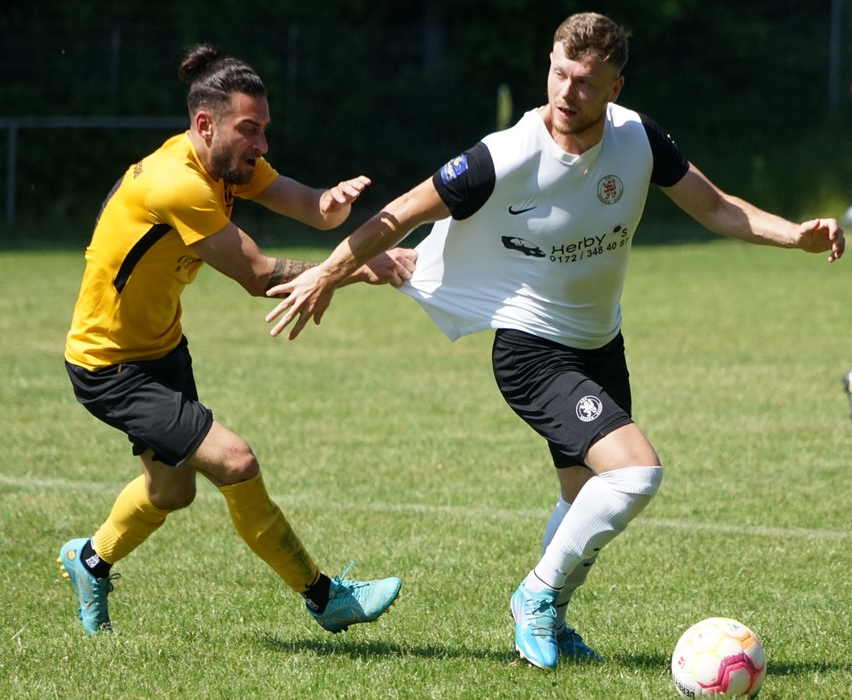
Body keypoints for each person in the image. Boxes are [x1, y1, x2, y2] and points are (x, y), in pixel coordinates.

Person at [264, 12, 845, 670]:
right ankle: (536, 597)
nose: (568, 92)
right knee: (635, 473)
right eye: (560, 74)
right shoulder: (506, 155)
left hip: (600, 344)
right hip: (531, 350)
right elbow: (397, 215)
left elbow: (715, 206)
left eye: (587, 82)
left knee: (580, 498)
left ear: (615, 88)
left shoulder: (639, 139)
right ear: (549, 64)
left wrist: (793, 234)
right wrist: (326, 273)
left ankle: (553, 622)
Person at [57, 43, 416, 636]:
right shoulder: (177, 185)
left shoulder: (224, 166)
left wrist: (330, 205)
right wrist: (355, 268)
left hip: (161, 349)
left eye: (265, 129)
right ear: (206, 125)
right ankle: (325, 597)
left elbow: (308, 206)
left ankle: (89, 560)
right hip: (109, 367)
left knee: (170, 492)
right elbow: (257, 275)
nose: (262, 144)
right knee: (236, 461)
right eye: (250, 129)